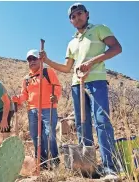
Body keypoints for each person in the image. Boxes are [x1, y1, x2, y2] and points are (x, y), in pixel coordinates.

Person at [40, 3, 122, 179]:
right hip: (77, 85)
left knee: (102, 122)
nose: (77, 18)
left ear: (87, 14)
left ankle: (109, 167)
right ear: (71, 21)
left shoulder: (100, 29)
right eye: (73, 16)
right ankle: (88, 166)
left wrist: (92, 62)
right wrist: (47, 60)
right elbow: (67, 68)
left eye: (80, 14)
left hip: (97, 82)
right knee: (81, 125)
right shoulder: (71, 43)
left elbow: (116, 48)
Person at [12, 49, 62, 169]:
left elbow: (57, 87)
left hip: (48, 108)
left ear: (40, 60)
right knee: (35, 136)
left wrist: (55, 96)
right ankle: (42, 163)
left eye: (34, 58)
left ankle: (55, 161)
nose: (31, 61)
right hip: (32, 110)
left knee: (48, 134)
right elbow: (25, 94)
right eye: (29, 59)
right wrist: (18, 99)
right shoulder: (26, 78)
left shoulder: (48, 72)